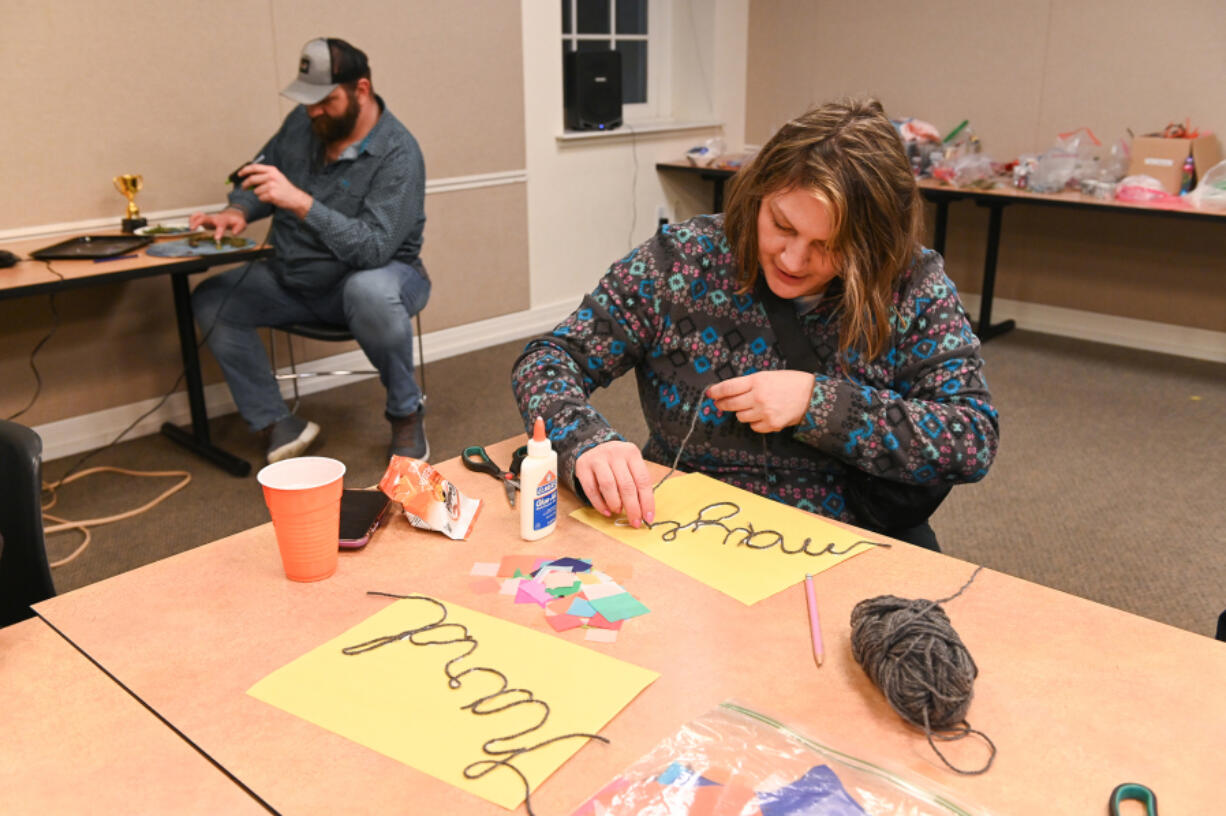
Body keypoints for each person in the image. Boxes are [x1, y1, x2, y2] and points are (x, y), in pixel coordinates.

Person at [511, 98, 999, 551]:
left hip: (844, 542)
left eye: (829, 245)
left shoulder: (910, 283)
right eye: (782, 225)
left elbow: (971, 438)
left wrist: (818, 404)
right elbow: (549, 360)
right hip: (685, 530)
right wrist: (586, 441)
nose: (792, 258)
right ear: (758, 194)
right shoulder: (681, 260)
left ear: (873, 244)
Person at [191, 37, 430, 464]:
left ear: (361, 88)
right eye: (308, 100)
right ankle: (277, 422)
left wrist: (301, 202)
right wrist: (238, 210)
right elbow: (262, 175)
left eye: (325, 100)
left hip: (378, 280)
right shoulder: (302, 125)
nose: (313, 111)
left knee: (369, 290)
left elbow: (374, 249)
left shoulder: (399, 152)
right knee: (213, 299)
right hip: (295, 280)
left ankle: (406, 415)